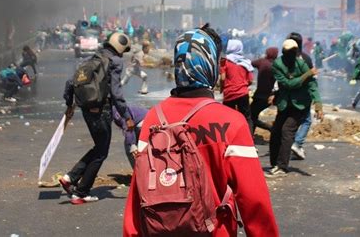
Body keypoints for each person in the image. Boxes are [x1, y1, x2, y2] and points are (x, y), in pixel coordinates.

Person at [123, 26, 279, 237]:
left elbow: (137, 197)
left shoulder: (152, 120)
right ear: (209, 65)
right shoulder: (232, 122)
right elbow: (255, 203)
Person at [60, 32, 135, 205]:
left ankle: (70, 177)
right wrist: (126, 116)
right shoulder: (114, 62)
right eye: (123, 51)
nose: (123, 54)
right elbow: (116, 93)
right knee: (101, 152)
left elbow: (71, 83)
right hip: (102, 111)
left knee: (99, 148)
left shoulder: (93, 58)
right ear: (120, 47)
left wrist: (69, 105)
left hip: (87, 110)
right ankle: (81, 192)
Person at [267, 39, 323, 177]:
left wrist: (318, 104)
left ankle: (282, 167)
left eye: (294, 52)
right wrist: (306, 74)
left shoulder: (300, 64)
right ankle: (275, 163)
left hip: (300, 104)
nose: (292, 55)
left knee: (287, 131)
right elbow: (288, 84)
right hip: (284, 103)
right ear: (284, 52)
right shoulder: (277, 65)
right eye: (289, 52)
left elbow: (312, 85)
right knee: (276, 133)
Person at [288, 32, 315, 160]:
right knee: (306, 120)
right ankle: (297, 143)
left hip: (288, 94)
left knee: (290, 119)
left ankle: (289, 145)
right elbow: (311, 77)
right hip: (303, 94)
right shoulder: (306, 58)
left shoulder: (284, 58)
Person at [220, 39, 254, 134]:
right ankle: (249, 141)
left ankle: (229, 140)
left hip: (229, 94)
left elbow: (222, 78)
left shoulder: (225, 62)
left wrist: (222, 88)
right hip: (243, 94)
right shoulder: (246, 62)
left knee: (227, 118)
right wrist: (243, 86)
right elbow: (250, 80)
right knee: (246, 118)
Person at [250, 46, 278, 134]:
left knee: (251, 116)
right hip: (269, 96)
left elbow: (251, 63)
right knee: (253, 116)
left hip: (259, 95)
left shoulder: (262, 62)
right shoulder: (276, 65)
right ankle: (252, 134)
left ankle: (270, 128)